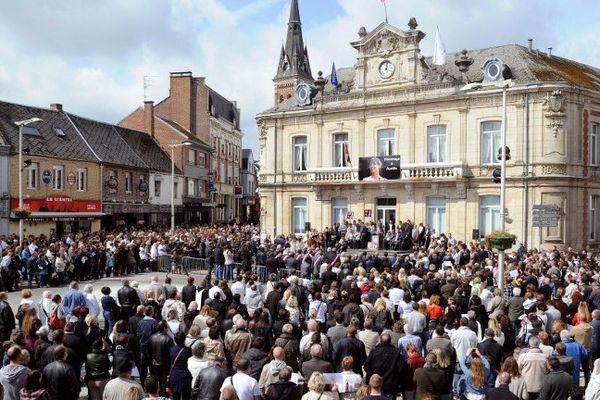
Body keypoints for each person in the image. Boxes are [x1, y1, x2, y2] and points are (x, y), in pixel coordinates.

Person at [364, 333, 403, 398]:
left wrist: (373, 375)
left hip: (381, 384)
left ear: (380, 341)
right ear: (390, 341)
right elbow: (401, 369)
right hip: (389, 384)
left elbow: (366, 367)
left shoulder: (374, 352)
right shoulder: (396, 353)